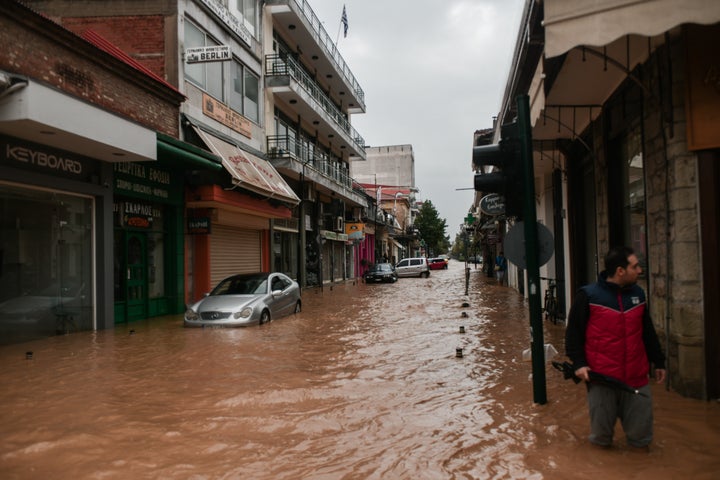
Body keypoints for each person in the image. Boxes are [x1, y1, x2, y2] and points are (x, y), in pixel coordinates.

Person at [565, 246, 666, 450]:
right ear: (620, 271)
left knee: (641, 442)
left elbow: (647, 331)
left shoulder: (638, 294)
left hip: (637, 379)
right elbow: (573, 334)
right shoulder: (588, 296)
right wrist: (579, 364)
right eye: (634, 266)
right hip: (602, 381)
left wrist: (659, 361)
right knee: (601, 442)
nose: (639, 271)